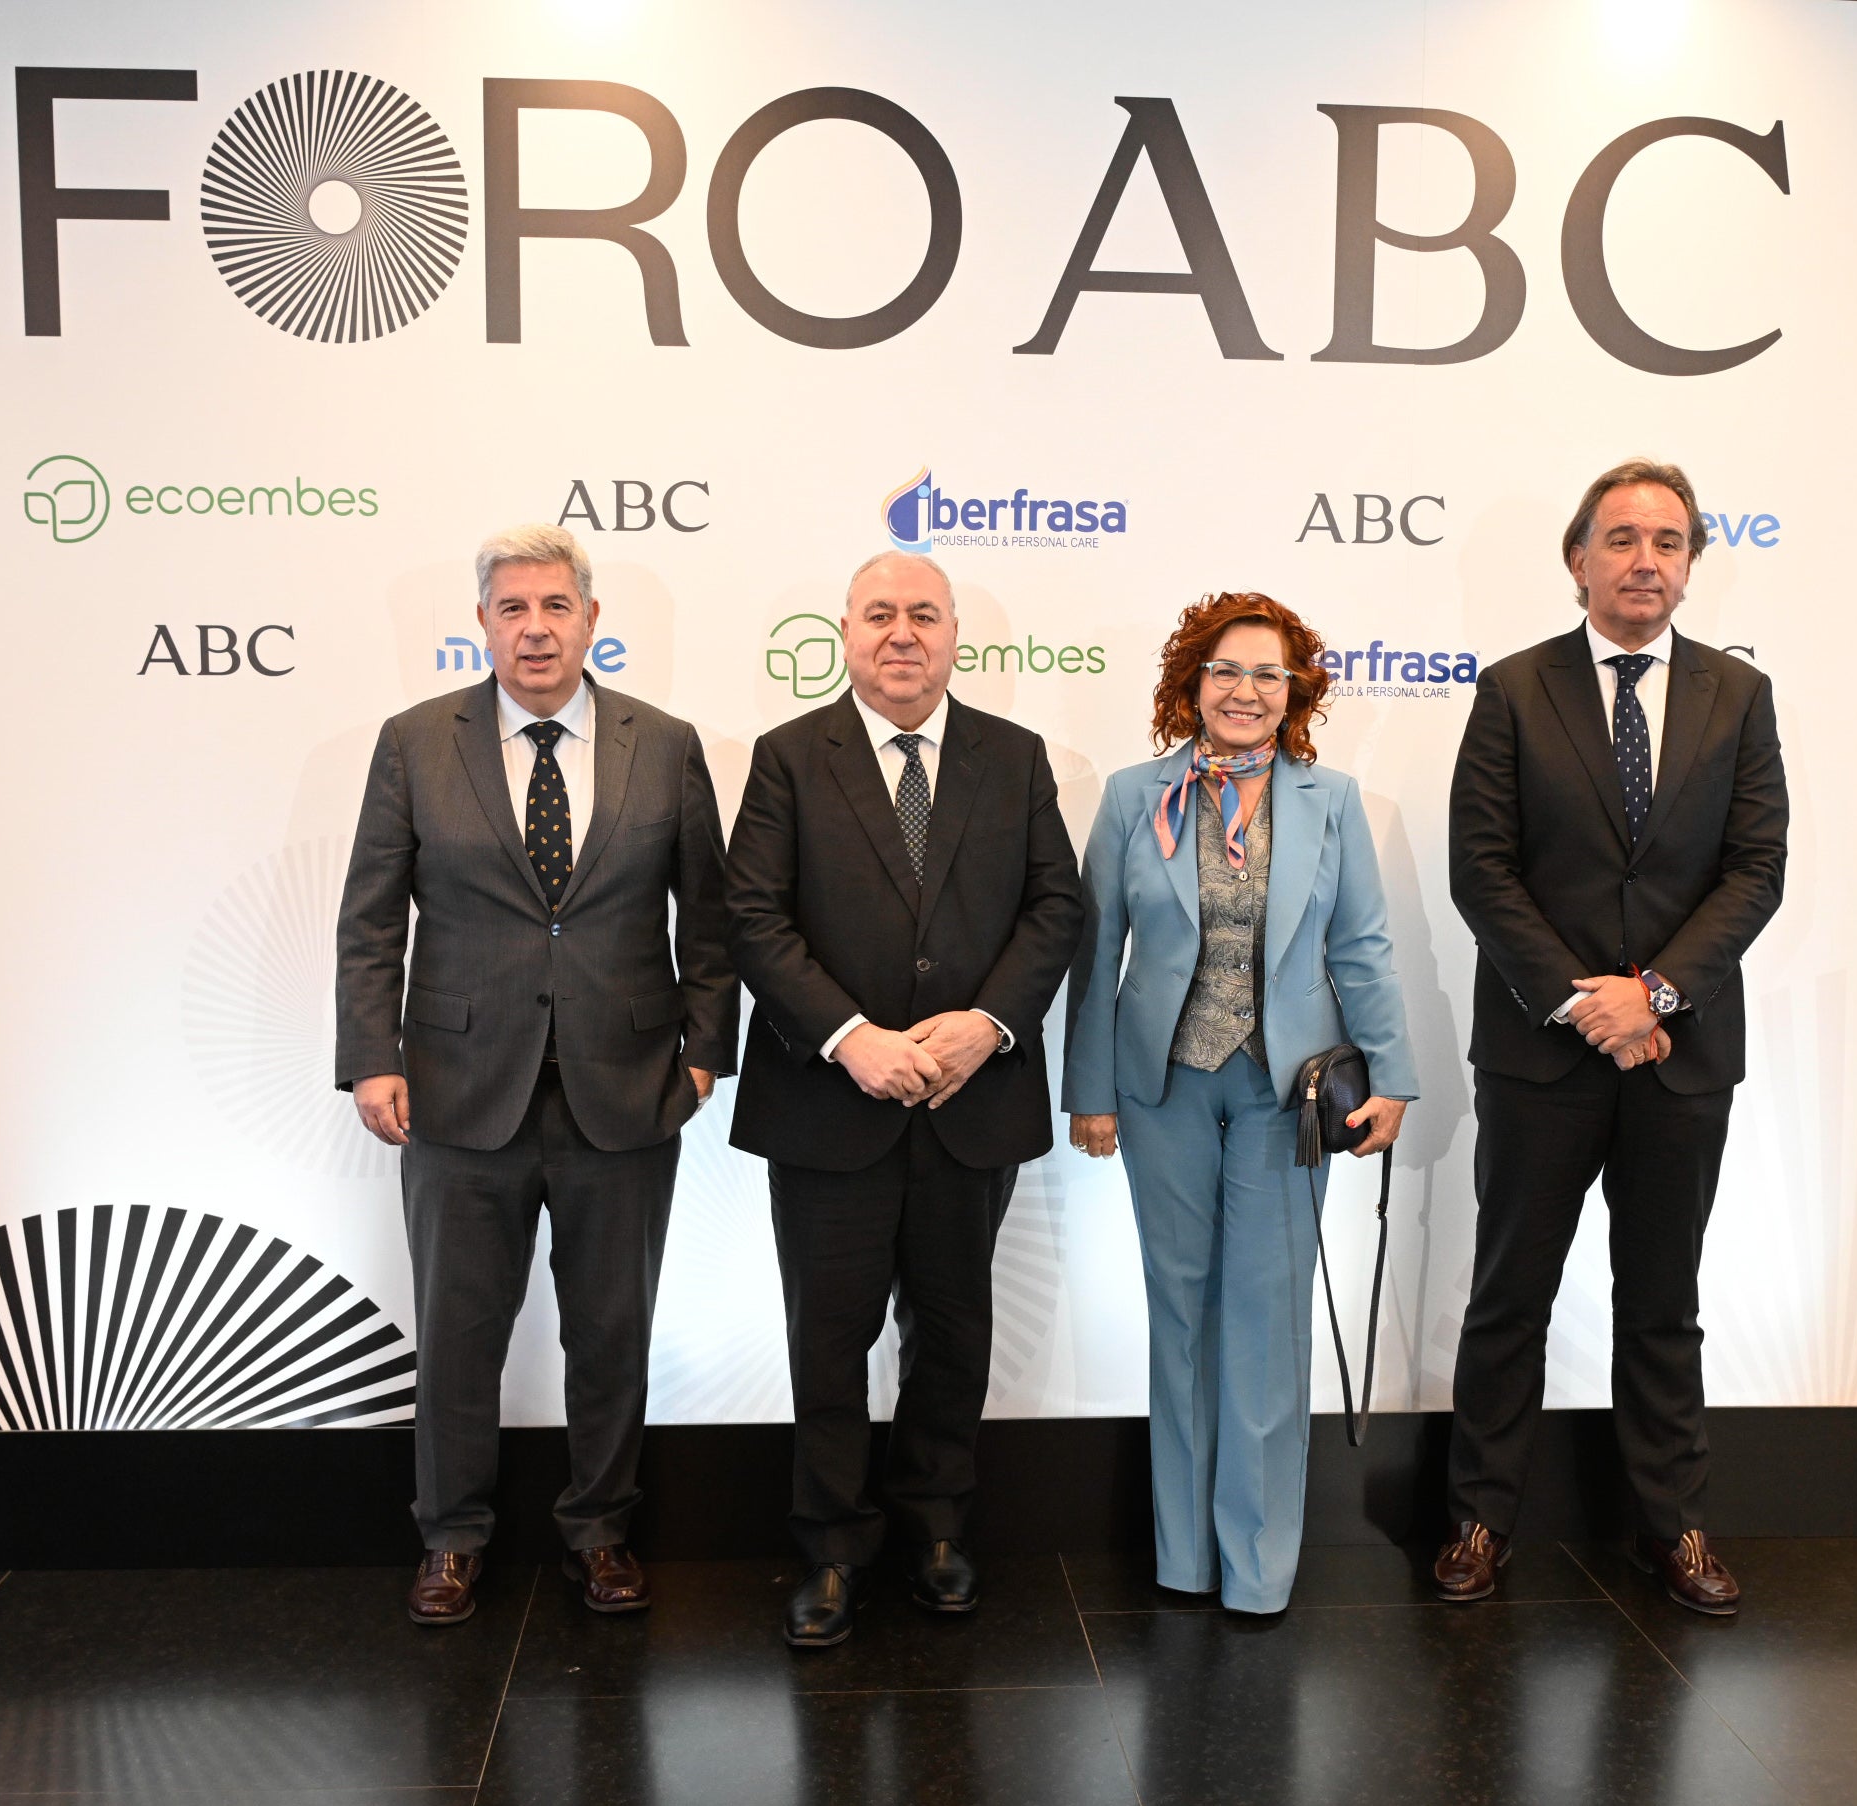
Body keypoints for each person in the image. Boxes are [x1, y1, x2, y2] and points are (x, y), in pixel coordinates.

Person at [334, 523, 736, 1626]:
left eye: (556, 605)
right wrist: (371, 1059)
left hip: (627, 1090)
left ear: (592, 619)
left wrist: (707, 1053)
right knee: (459, 1336)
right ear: (482, 624)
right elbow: (371, 919)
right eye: (512, 608)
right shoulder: (417, 742)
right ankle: (451, 1538)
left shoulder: (665, 743)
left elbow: (708, 915)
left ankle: (601, 1532)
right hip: (459, 1092)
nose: (536, 628)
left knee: (611, 1332)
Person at [1443, 460, 1788, 1615]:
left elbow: (1757, 869)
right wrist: (1583, 1001)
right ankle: (1481, 1519)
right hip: (1542, 1054)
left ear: (1691, 566)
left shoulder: (1739, 697)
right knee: (1510, 1297)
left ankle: (1674, 1525)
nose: (1647, 560)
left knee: (1662, 1302)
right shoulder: (1513, 690)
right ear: (1578, 558)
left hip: (1682, 1057)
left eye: (1669, 542)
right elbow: (1482, 869)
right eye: (1624, 538)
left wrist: (1660, 994)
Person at [726, 551, 1084, 1648]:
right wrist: (852, 1039)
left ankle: (936, 1532)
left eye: (923, 615)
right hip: (829, 1106)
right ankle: (832, 1550)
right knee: (828, 1339)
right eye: (879, 614)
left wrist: (988, 1026)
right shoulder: (790, 757)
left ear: (954, 636)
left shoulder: (1014, 757)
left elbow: (1055, 909)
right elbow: (754, 919)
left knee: (955, 1332)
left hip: (971, 1104)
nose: (901, 633)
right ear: (844, 633)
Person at [1064, 593, 1415, 1614]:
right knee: (1180, 1314)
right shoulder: (1133, 796)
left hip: (1284, 1096)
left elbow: (1362, 946)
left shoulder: (1331, 800)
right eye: (1225, 670)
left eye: (1268, 673)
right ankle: (1184, 1557)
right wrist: (1090, 1091)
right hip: (1162, 1088)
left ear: (1294, 692)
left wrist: (1393, 1074)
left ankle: (1257, 1567)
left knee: (1266, 1321)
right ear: (1193, 682)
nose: (1245, 690)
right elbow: (1095, 952)